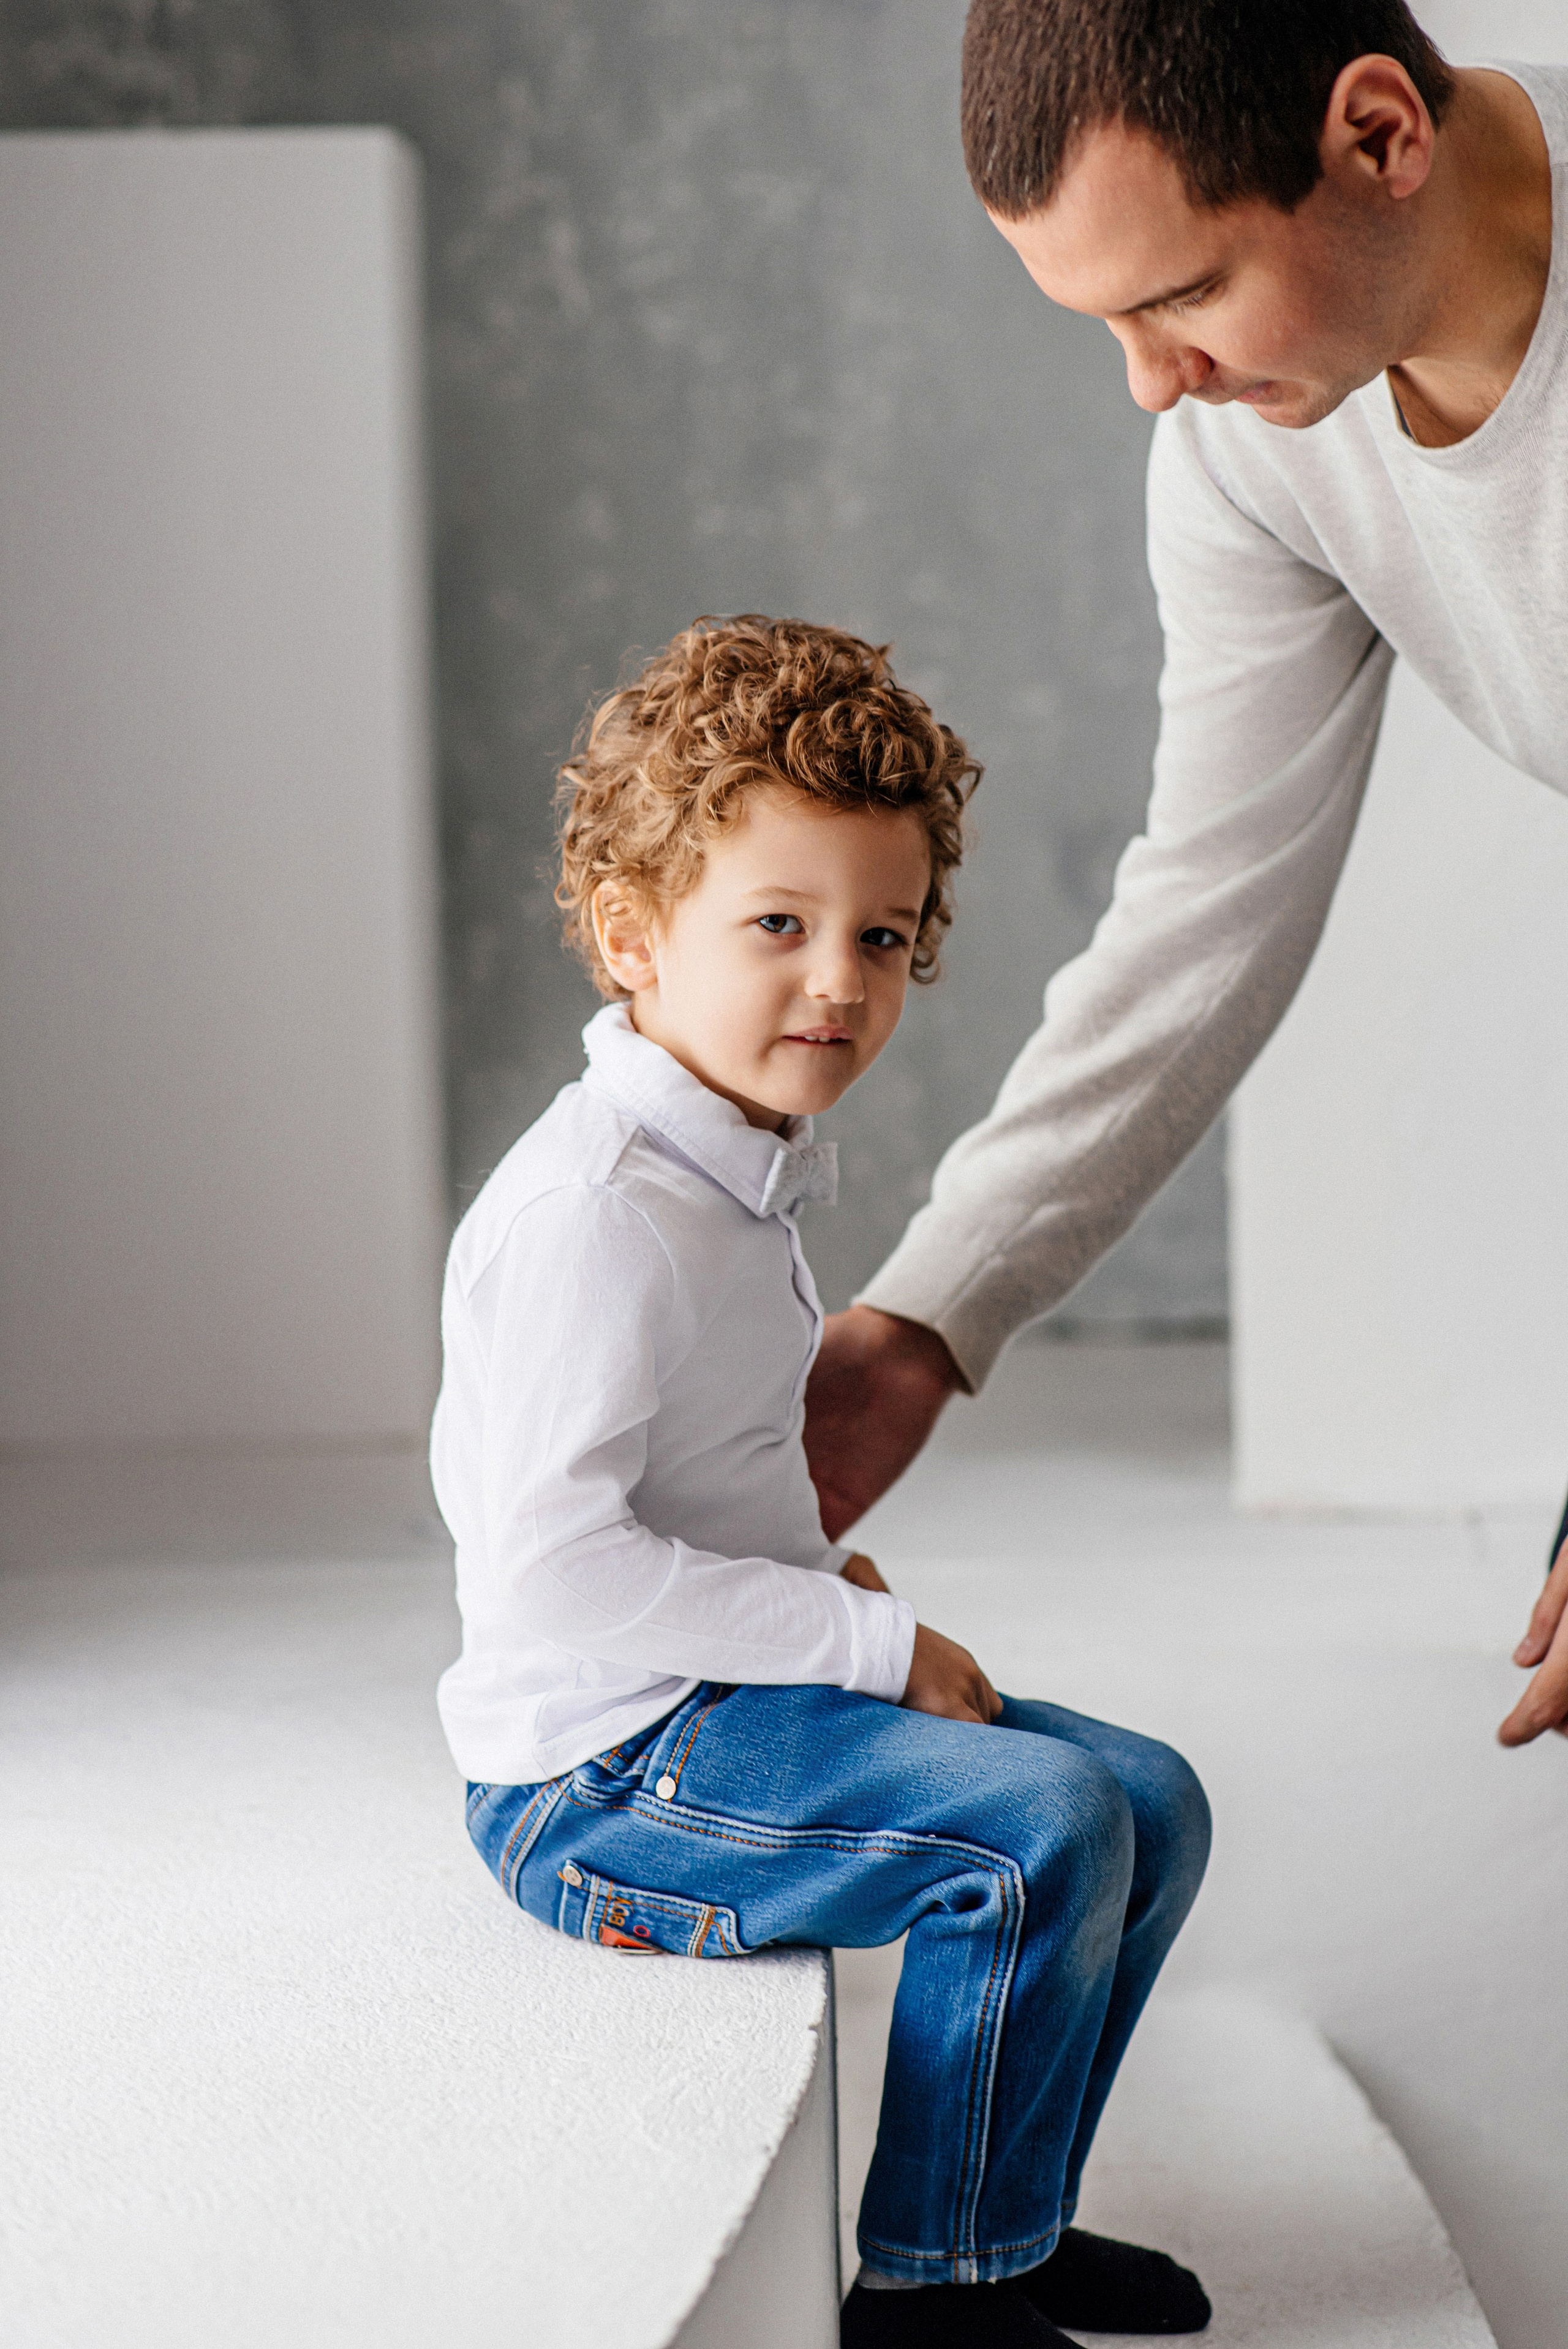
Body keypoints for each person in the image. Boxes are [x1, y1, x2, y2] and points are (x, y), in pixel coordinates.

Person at [431, 615, 1213, 2347]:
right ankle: (934, 2302)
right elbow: (554, 1569)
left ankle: (997, 2221)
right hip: (599, 1776)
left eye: (881, 932)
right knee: (1042, 1830)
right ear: (635, 939)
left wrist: (815, 1583)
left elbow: (697, 1483)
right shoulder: (601, 1218)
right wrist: (864, 1645)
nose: (839, 983)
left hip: (707, 1696)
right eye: (776, 926)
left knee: (1150, 1799)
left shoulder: (730, 1167)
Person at [805, 0, 1568, 1750]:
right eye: (1107, 323)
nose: (1154, 382)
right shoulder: (1248, 448)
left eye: (1184, 296)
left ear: (1380, 137)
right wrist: (930, 1310)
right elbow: (1210, 903)